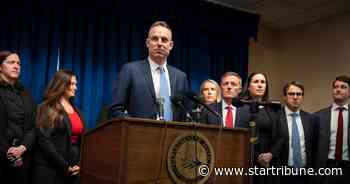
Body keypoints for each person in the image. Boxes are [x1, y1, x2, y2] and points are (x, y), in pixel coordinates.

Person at [109, 21, 188, 121]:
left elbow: (184, 115)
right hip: (139, 135)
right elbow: (115, 110)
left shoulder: (180, 77)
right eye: (155, 39)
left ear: (171, 45)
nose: (159, 43)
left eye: (164, 40)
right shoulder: (130, 70)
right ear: (147, 43)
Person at [33, 70, 85, 184]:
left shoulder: (77, 111)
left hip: (73, 170)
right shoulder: (46, 107)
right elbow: (44, 142)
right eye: (72, 84)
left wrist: (79, 164)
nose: (75, 87)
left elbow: (83, 141)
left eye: (75, 84)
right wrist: (65, 166)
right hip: (50, 171)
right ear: (61, 84)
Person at [239, 72, 283, 184]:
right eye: (256, 81)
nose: (260, 85)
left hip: (270, 161)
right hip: (247, 159)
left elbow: (281, 136)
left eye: (263, 82)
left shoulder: (274, 108)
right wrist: (257, 156)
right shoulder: (241, 108)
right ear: (248, 86)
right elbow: (240, 136)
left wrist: (270, 154)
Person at [0, 50, 36, 184]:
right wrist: (9, 152)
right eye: (11, 62)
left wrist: (22, 148)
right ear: (0, 67)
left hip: (24, 158)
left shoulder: (26, 93)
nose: (16, 66)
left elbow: (33, 126)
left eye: (18, 63)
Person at [279, 81, 318, 184]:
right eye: (291, 94)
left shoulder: (311, 119)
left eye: (299, 94)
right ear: (284, 97)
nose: (295, 97)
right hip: (282, 174)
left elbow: (314, 147)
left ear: (302, 97)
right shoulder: (276, 117)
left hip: (305, 174)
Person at [315, 75, 350, 184]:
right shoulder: (318, 116)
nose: (338, 89)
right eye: (335, 87)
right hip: (326, 168)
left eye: (343, 87)